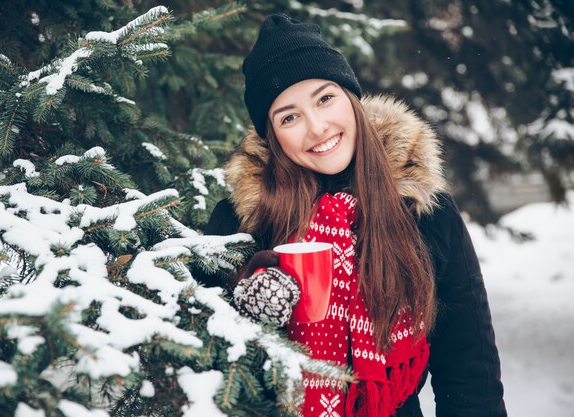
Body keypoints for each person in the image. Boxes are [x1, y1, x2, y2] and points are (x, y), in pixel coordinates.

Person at [202, 13, 507, 417]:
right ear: (272, 136)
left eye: (325, 98)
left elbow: (470, 371)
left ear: (352, 99)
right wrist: (246, 310)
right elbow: (203, 370)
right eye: (288, 117)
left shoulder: (424, 211)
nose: (317, 127)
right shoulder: (240, 223)